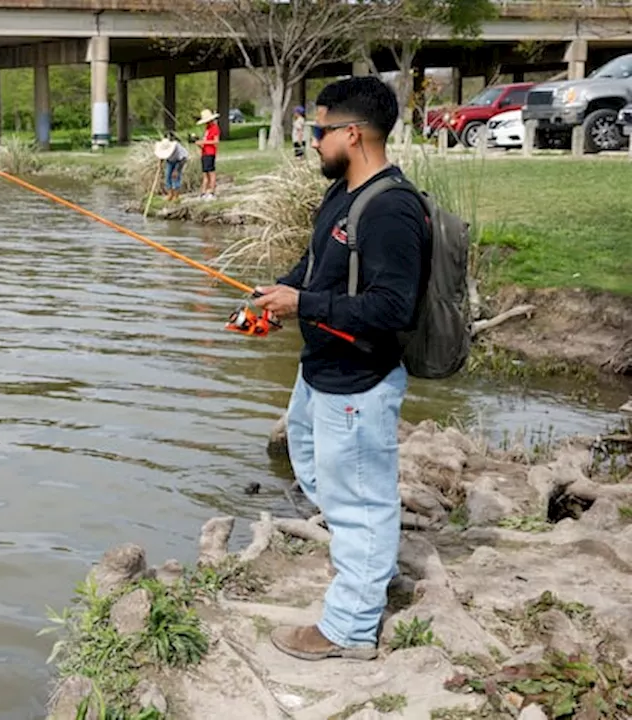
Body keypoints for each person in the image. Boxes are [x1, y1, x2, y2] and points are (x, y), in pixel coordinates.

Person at [252, 76, 429, 662]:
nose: (312, 142)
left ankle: (350, 629)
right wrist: (281, 292)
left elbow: (392, 308)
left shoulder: (391, 209)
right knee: (313, 463)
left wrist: (303, 305)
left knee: (360, 499)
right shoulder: (343, 194)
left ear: (352, 134)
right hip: (321, 370)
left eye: (319, 131)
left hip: (360, 379)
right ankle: (368, 568)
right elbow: (317, 264)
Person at [154, 134, 190, 203]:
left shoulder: (177, 149)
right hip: (170, 161)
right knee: (167, 176)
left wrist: (176, 170)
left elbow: (182, 160)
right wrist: (159, 164)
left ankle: (176, 196)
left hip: (179, 161)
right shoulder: (163, 148)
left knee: (175, 177)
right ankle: (170, 194)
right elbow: (161, 156)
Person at [195, 109, 220, 198]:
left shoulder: (214, 128)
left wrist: (204, 142)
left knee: (211, 173)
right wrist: (199, 144)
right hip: (204, 153)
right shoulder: (207, 129)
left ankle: (212, 192)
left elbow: (216, 141)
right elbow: (205, 142)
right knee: (205, 173)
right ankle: (203, 192)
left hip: (210, 153)